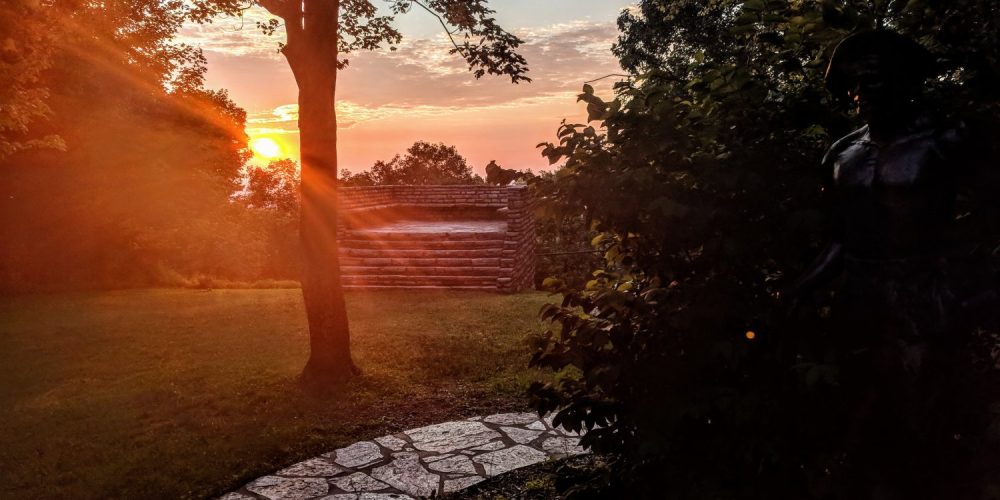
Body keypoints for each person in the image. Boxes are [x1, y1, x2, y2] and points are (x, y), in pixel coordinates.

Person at [786, 30, 990, 499]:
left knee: (925, 423)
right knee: (862, 422)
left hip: (925, 301)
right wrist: (801, 289)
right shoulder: (842, 155)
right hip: (860, 303)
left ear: (902, 83)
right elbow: (841, 238)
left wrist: (968, 291)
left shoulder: (946, 143)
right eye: (853, 84)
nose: (860, 93)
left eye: (873, 81)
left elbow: (987, 220)